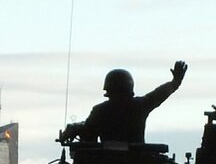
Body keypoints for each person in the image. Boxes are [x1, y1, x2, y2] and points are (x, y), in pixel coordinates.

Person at [60, 61, 188, 144]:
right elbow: (159, 94)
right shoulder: (140, 106)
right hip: (136, 163)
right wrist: (175, 82)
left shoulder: (100, 110)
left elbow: (88, 131)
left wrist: (75, 128)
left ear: (108, 89)